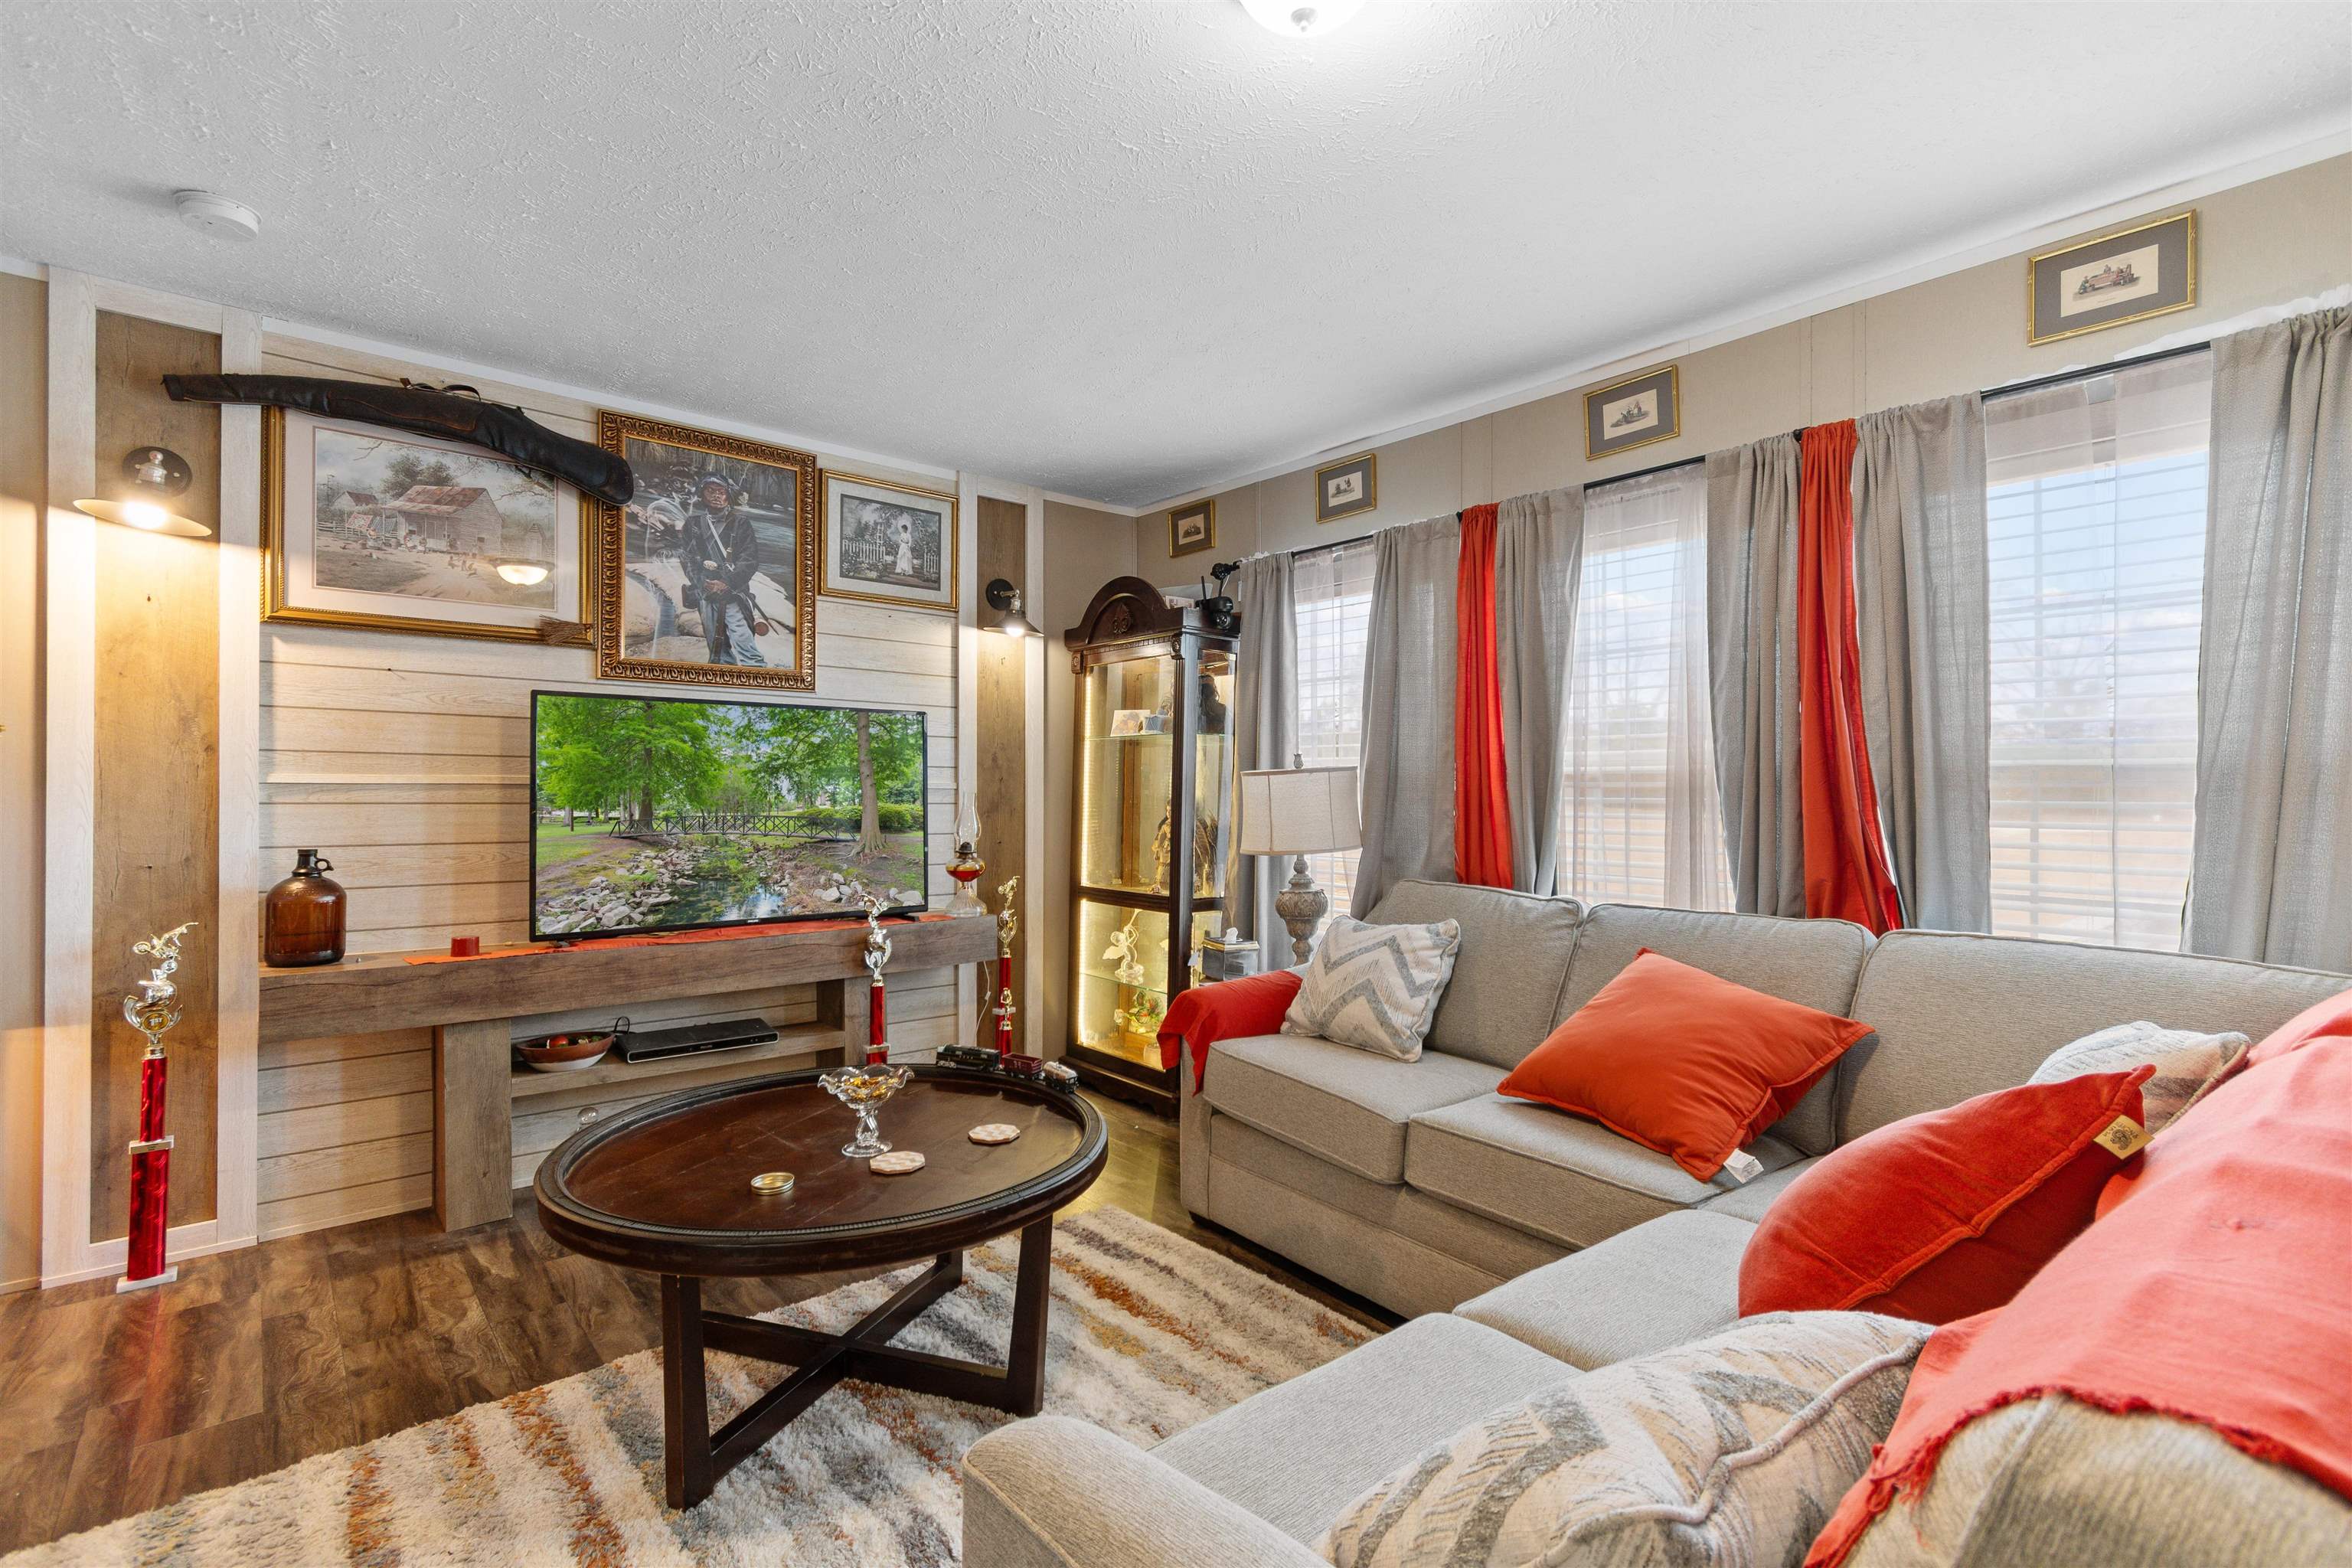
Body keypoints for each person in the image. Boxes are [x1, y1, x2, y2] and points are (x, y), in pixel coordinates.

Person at [679, 474, 766, 667]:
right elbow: (687, 558)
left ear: (729, 496)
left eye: (721, 492)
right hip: (706, 590)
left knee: (743, 639)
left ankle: (756, 673)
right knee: (715, 644)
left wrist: (726, 582)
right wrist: (702, 583)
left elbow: (749, 560)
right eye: (711, 491)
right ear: (702, 494)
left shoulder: (741, 523)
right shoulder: (693, 523)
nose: (716, 496)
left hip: (733, 591)